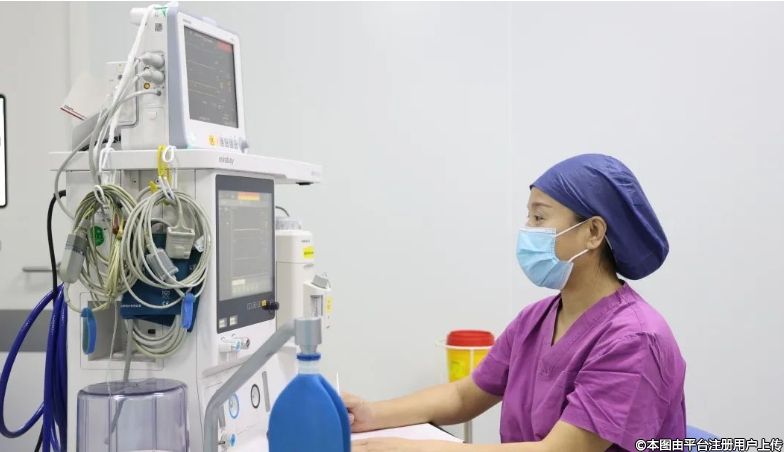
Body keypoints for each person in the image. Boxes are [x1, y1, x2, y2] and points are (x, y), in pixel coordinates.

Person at [348, 154, 686, 452]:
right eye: (529, 218)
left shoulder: (635, 340)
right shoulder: (534, 320)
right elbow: (464, 396)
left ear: (593, 233)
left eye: (539, 218)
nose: (527, 230)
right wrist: (370, 414)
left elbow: (561, 451)